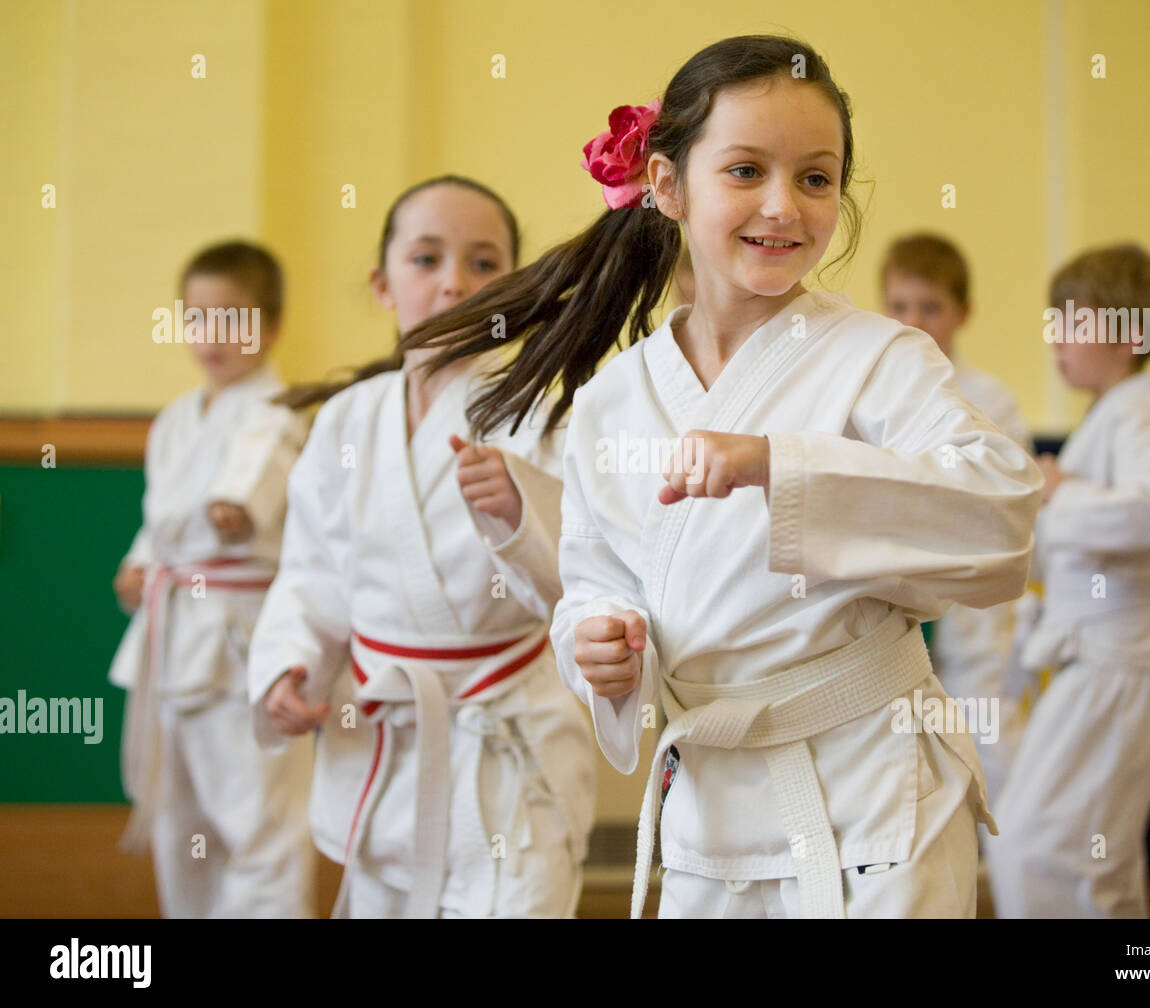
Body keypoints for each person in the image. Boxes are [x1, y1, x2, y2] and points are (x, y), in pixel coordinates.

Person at [399, 35, 1042, 919]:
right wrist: (598, 644)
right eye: (746, 170)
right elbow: (594, 581)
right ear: (667, 186)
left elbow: (1002, 515)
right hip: (709, 809)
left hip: (876, 794)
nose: (783, 206)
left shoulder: (881, 357)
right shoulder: (616, 398)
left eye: (816, 179)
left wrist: (779, 464)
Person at [247, 176, 596, 918]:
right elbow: (313, 575)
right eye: (427, 259)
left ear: (517, 287)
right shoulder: (346, 423)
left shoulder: (542, 415)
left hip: (505, 739)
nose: (454, 285)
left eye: (483, 263)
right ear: (383, 282)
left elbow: (590, 586)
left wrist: (517, 517)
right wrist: (289, 662)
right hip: (384, 734)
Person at [987, 243, 1150, 918]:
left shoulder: (1142, 414)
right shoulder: (1112, 416)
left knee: (1033, 842)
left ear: (1123, 332)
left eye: (1072, 322)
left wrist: (1060, 491)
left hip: (1119, 653)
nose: (1055, 338)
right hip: (1097, 653)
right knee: (1093, 855)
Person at [109, 240, 314, 918]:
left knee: (257, 817)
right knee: (181, 820)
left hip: (238, 638)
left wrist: (236, 507)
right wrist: (140, 564)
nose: (213, 335)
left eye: (234, 317)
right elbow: (163, 519)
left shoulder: (279, 407)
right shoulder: (175, 420)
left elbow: (247, 490)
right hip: (172, 635)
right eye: (198, 318)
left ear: (272, 326)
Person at [880, 232, 1033, 807]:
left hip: (972, 612)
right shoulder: (876, 391)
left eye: (931, 307)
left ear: (963, 312)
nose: (915, 321)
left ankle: (1021, 881)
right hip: (898, 603)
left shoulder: (990, 398)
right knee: (910, 767)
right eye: (899, 307)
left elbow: (1006, 503)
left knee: (991, 746)